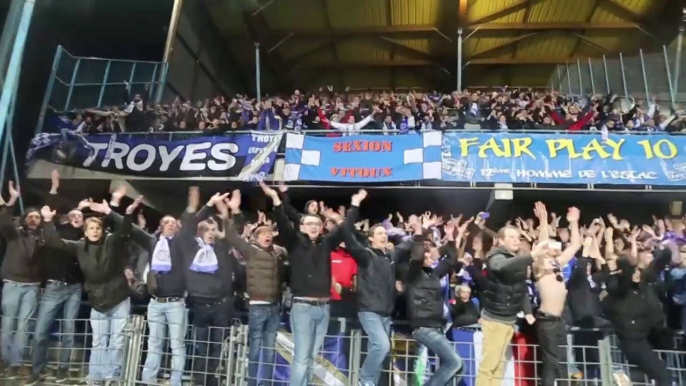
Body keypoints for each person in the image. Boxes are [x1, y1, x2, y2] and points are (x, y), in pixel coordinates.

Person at [42, 195, 141, 383]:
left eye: (98, 228)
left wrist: (127, 214)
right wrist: (47, 221)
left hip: (118, 297)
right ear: (85, 232)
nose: (95, 231)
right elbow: (56, 242)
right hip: (98, 300)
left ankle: (112, 377)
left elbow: (124, 231)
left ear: (102, 231)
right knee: (98, 341)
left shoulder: (110, 242)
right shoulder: (79, 247)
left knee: (117, 341)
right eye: (91, 228)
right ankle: (95, 376)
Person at [259, 181, 348, 386]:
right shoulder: (294, 242)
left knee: (312, 357)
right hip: (303, 307)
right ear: (301, 227)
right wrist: (276, 199)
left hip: (323, 307)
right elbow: (282, 220)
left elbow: (344, 231)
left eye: (317, 224)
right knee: (301, 357)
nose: (314, 226)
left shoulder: (326, 244)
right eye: (309, 224)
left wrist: (339, 216)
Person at [339, 189, 414, 386]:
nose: (384, 236)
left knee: (382, 351)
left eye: (385, 233)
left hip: (385, 313)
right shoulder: (366, 255)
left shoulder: (389, 256)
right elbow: (347, 234)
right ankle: (365, 380)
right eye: (379, 233)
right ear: (370, 239)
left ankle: (371, 382)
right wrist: (354, 205)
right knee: (381, 346)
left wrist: (419, 231)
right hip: (369, 310)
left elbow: (408, 245)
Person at [223, 189, 288, 386]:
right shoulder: (250, 251)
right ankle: (252, 382)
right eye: (263, 234)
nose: (267, 236)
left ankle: (266, 383)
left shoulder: (279, 253)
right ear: (256, 237)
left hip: (274, 306)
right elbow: (232, 236)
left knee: (270, 350)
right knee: (256, 349)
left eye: (269, 233)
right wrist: (234, 213)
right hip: (257, 307)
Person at [28, 171, 88, 385]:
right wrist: (54, 188)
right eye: (73, 216)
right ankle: (38, 371)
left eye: (80, 217)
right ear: (67, 218)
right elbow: (49, 213)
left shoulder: (86, 238)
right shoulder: (59, 231)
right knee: (41, 331)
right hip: (54, 287)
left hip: (74, 287)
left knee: (69, 331)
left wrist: (83, 211)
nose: (76, 218)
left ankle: (62, 370)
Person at [127, 188, 187, 386]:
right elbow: (133, 230)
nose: (170, 225)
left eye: (173, 223)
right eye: (166, 223)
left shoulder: (181, 245)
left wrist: (208, 205)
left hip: (176, 303)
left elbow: (194, 222)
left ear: (177, 227)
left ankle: (176, 381)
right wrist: (121, 212)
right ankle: (148, 380)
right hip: (155, 303)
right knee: (154, 343)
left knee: (177, 345)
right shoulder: (153, 244)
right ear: (160, 227)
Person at [476, 220, 547, 386]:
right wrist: (531, 255)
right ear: (501, 241)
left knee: (500, 364)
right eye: (511, 237)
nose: (516, 240)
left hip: (509, 319)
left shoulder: (517, 260)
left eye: (518, 237)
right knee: (489, 365)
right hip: (494, 319)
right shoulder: (496, 256)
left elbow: (520, 288)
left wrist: (528, 311)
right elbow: (501, 267)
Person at [405, 215, 471, 386]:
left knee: (460, 367)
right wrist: (419, 232)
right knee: (454, 362)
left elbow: (450, 261)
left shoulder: (434, 275)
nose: (430, 258)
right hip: (423, 326)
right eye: (426, 256)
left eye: (430, 256)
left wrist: (450, 237)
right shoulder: (413, 275)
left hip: (437, 326)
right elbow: (417, 257)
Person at [181, 189, 236, 386]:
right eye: (207, 230)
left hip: (221, 305)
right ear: (200, 232)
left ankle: (212, 381)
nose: (211, 233)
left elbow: (234, 233)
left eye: (214, 230)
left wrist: (229, 212)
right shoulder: (190, 248)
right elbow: (187, 226)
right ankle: (200, 381)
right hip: (200, 305)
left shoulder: (221, 248)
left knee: (217, 347)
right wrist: (209, 205)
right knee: (202, 347)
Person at [531, 205, 582, 386]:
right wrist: (543, 221)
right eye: (553, 247)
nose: (557, 249)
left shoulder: (558, 264)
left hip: (560, 319)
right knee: (551, 363)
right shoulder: (539, 265)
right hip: (547, 320)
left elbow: (575, 245)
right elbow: (543, 243)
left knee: (561, 362)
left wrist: (574, 223)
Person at [0, 182, 42, 379]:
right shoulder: (14, 234)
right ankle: (5, 360)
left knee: (24, 327)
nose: (34, 220)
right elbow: (3, 221)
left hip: (32, 287)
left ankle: (16, 363)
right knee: (8, 324)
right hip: (12, 284)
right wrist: (12, 200)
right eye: (31, 217)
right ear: (25, 219)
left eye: (37, 218)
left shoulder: (43, 239)